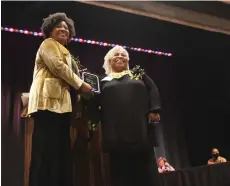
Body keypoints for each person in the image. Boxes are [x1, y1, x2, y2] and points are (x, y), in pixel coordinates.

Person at [27, 13, 92, 186]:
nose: (63, 29)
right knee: (46, 149)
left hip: (61, 106)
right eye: (59, 27)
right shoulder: (48, 44)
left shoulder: (66, 52)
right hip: (48, 103)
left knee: (59, 151)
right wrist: (81, 84)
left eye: (66, 28)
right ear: (49, 30)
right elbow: (57, 66)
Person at [88, 45, 161, 186]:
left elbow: (153, 89)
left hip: (140, 131)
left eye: (123, 55)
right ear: (109, 60)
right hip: (116, 135)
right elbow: (94, 102)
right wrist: (93, 120)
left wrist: (155, 109)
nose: (120, 56)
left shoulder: (138, 74)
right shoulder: (102, 81)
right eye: (116, 54)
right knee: (121, 174)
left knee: (146, 173)